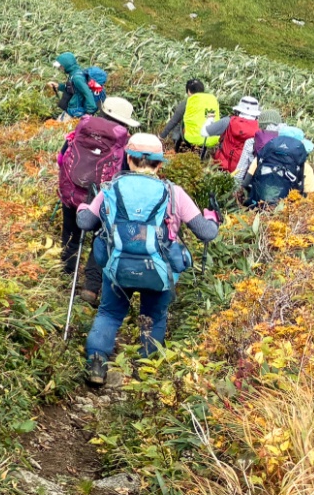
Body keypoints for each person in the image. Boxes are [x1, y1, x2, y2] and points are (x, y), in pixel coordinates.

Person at [77, 132, 219, 386]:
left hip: (117, 268)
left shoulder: (111, 188)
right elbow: (207, 233)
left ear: (129, 159)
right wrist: (211, 217)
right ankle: (144, 374)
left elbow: (86, 222)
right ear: (159, 164)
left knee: (109, 313)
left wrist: (82, 208)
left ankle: (97, 363)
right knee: (154, 316)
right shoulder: (174, 193)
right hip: (159, 271)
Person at [57, 95, 134, 305]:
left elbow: (62, 157)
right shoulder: (124, 143)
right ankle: (90, 287)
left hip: (72, 192)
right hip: (102, 199)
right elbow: (126, 174)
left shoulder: (82, 129)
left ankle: (66, 275)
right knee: (102, 239)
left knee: (70, 234)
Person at [234, 106, 314, 208]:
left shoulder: (261, 158)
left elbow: (245, 184)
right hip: (288, 212)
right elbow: (312, 200)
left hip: (259, 208)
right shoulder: (305, 167)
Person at [200, 95, 262, 174]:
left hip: (219, 168)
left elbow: (204, 132)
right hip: (241, 173)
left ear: (238, 110)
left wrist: (210, 119)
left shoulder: (228, 121)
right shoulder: (259, 131)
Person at [159, 79, 219, 155]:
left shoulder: (187, 103)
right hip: (209, 139)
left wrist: (161, 136)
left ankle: (179, 151)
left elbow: (174, 121)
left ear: (188, 91)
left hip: (191, 139)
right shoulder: (211, 101)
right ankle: (201, 156)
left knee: (178, 124)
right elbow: (211, 118)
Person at [52, 52, 99, 119]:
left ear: (67, 65)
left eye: (61, 66)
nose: (60, 68)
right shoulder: (75, 73)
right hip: (74, 110)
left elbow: (87, 93)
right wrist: (59, 86)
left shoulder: (77, 78)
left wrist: (89, 112)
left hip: (76, 111)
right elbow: (73, 88)